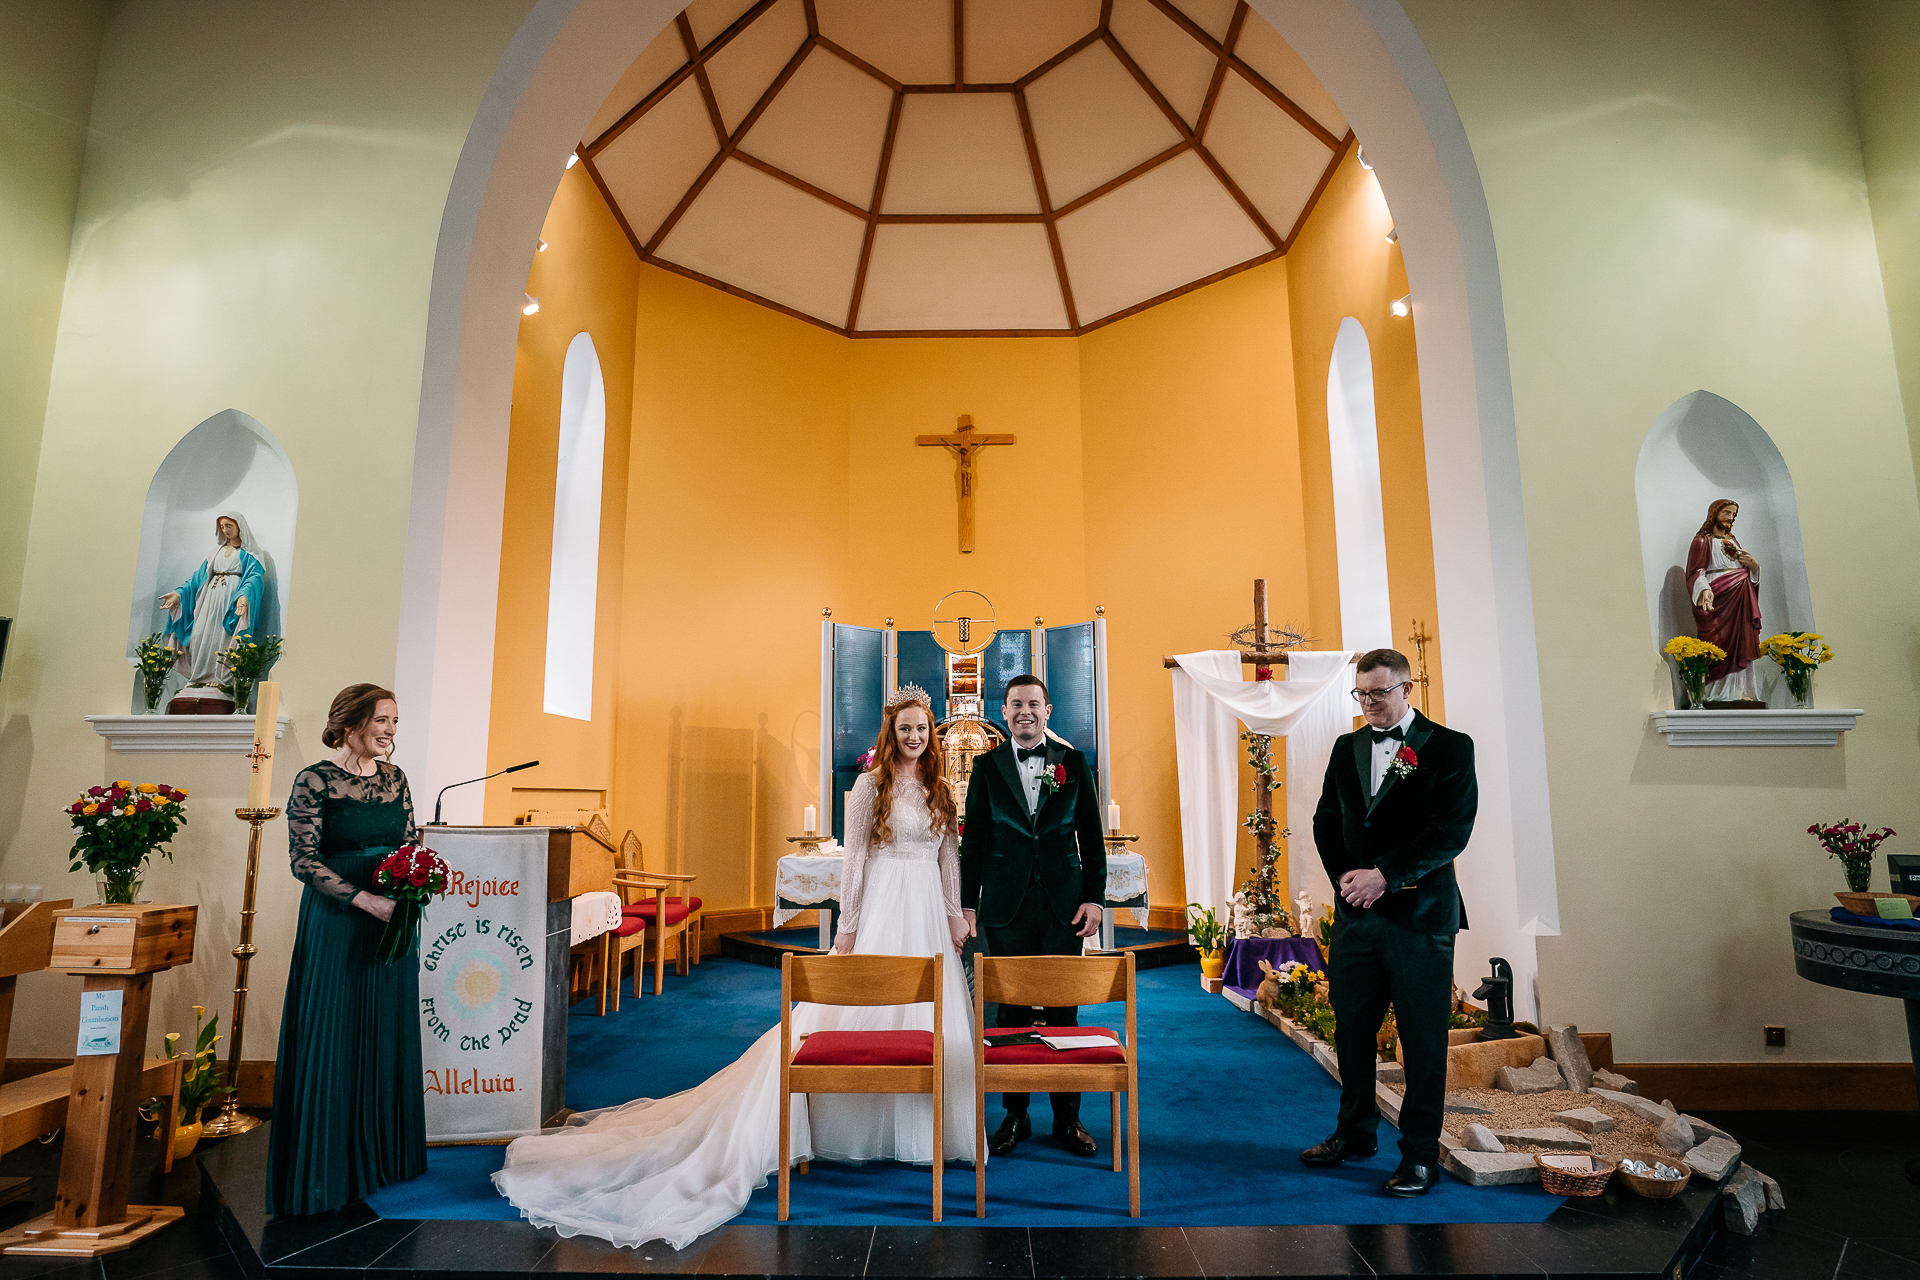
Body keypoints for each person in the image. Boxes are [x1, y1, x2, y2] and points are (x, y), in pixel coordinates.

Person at [492, 687, 976, 1249]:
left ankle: (925, 1134)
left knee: (925, 1015)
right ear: (890, 733)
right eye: (904, 729)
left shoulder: (941, 790)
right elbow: (857, 860)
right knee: (858, 1014)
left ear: (931, 733)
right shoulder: (870, 787)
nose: (913, 737)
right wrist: (848, 927)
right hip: (883, 909)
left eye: (922, 729)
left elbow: (949, 859)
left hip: (928, 915)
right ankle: (855, 1128)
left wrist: (953, 916)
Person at [1299, 649, 1476, 1198]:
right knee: (1351, 1029)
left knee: (1423, 1041)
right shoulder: (1346, 747)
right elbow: (1326, 819)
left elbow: (1451, 831)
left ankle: (1420, 1155)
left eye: (1378, 693)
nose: (1369, 704)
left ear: (1407, 689)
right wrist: (1348, 880)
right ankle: (1354, 1134)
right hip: (1358, 916)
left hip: (1420, 917)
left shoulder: (1449, 747)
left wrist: (1386, 876)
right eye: (1361, 695)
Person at [267, 683, 428, 1214]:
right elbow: (304, 861)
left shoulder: (396, 779)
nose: (390, 731)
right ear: (351, 723)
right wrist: (364, 900)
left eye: (395, 722)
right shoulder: (314, 780)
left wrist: (415, 879)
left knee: (384, 1029)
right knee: (335, 1031)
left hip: (392, 920)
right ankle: (326, 1169)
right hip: (339, 920)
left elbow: (408, 842)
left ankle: (383, 1158)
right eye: (382, 720)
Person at [959, 674, 1107, 1160]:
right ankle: (1014, 1115)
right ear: (1004, 712)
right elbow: (975, 842)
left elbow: (1091, 834)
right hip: (1004, 905)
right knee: (1011, 1012)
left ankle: (1069, 1117)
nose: (1025, 711)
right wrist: (966, 903)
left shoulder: (1074, 763)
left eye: (1033, 704)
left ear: (1049, 710)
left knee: (1064, 1008)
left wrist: (1095, 898)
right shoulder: (986, 767)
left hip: (1064, 906)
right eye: (1016, 704)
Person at [159, 513, 267, 693]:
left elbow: (254, 578)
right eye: (222, 526)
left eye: (229, 526)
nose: (225, 530)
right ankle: (198, 676)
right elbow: (196, 579)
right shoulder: (215, 552)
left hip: (230, 599)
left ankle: (219, 678)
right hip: (208, 600)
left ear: (240, 526)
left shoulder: (250, 554)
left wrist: (244, 596)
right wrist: (178, 593)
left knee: (222, 636)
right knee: (199, 635)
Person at [1686, 498, 1764, 702]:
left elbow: (1744, 569)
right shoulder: (1702, 541)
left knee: (1741, 643)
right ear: (1714, 514)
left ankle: (1740, 692)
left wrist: (1755, 567)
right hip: (1718, 598)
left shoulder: (1732, 541)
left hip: (1741, 599)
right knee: (1719, 644)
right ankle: (1716, 693)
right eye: (1727, 513)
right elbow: (1695, 571)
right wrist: (1703, 590)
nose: (1731, 518)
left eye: (1734, 514)